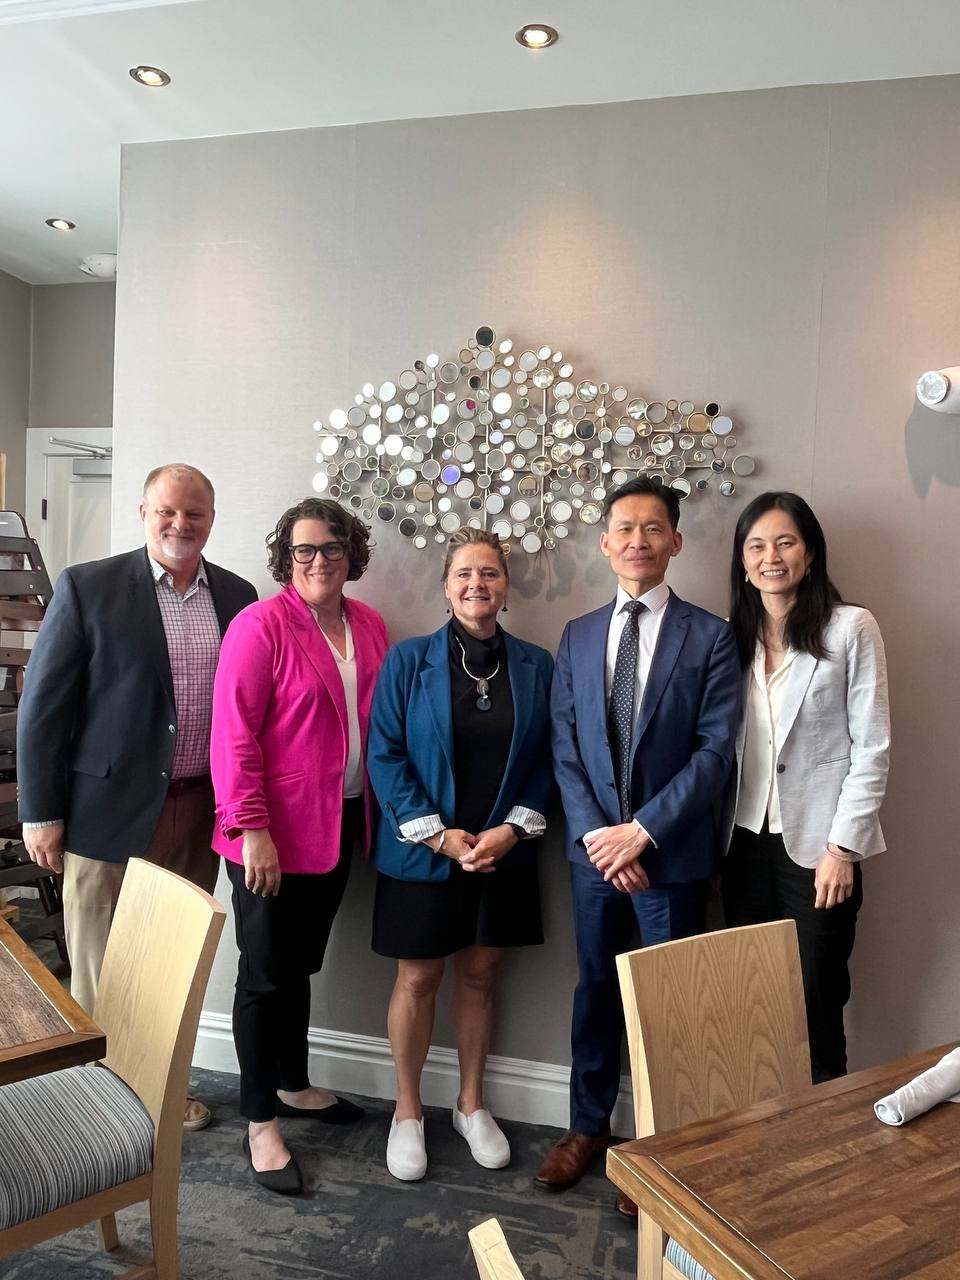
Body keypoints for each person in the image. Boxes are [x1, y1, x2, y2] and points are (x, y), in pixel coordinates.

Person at [17, 463, 256, 1131]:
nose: (181, 524)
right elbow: (43, 710)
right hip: (104, 813)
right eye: (168, 511)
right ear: (144, 513)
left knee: (172, 962)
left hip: (199, 811)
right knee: (102, 967)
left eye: (195, 513)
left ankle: (163, 1090)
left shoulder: (237, 596)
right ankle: (101, 1104)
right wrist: (41, 812)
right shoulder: (87, 586)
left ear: (212, 519)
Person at [538, 475, 741, 1215]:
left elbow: (715, 753)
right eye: (624, 528)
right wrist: (604, 839)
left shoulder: (712, 636)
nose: (638, 540)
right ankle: (587, 1127)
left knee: (669, 1005)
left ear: (675, 542)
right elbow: (564, 745)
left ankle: (663, 1149)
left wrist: (642, 833)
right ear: (604, 542)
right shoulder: (578, 634)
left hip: (671, 857)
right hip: (595, 857)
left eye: (653, 528)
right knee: (594, 991)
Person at [210, 497, 388, 1195]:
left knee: (298, 965)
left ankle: (292, 1082)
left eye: (332, 548)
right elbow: (233, 734)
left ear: (351, 555)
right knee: (264, 974)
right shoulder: (260, 625)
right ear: (286, 558)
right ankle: (260, 1120)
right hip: (269, 836)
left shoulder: (368, 624)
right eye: (304, 550)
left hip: (339, 825)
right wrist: (251, 828)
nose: (318, 561)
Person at [366, 528, 553, 1182]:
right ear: (446, 587)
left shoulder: (538, 666)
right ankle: (408, 1111)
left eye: (490, 573)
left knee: (480, 977)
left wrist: (512, 830)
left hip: (502, 852)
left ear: (506, 587)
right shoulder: (406, 661)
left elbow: (551, 759)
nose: (478, 584)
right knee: (418, 979)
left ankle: (471, 1104)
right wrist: (439, 835)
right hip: (424, 853)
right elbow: (384, 754)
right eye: (465, 574)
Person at [722, 491, 889, 1083]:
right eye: (756, 546)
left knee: (817, 1000)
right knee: (753, 1002)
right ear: (743, 561)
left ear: (810, 552)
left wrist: (843, 849)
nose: (771, 557)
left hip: (819, 849)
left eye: (785, 542)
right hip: (741, 845)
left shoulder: (850, 627)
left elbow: (872, 746)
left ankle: (823, 1128)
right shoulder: (730, 637)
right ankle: (762, 1125)